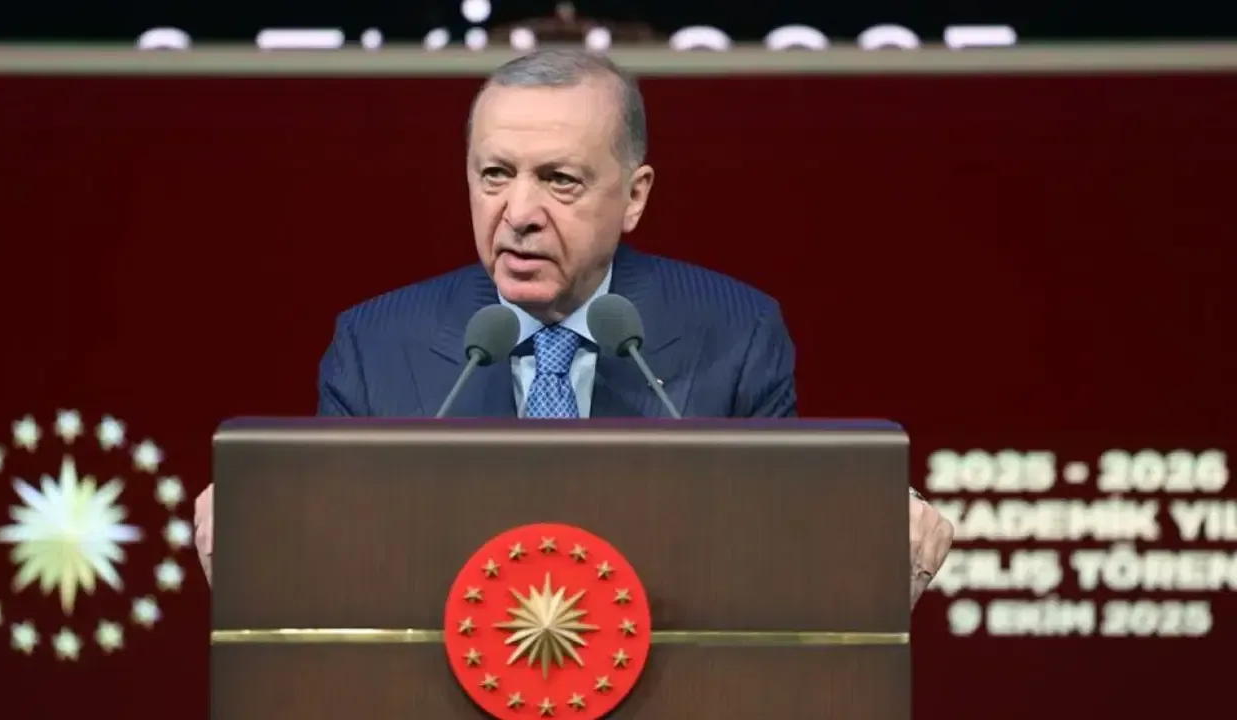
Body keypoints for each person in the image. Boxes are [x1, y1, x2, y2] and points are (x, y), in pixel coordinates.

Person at [194, 49, 953, 607]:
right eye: (495, 174)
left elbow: (779, 552)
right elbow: (337, 574)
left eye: (559, 180)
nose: (518, 213)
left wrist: (871, 544)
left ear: (634, 196)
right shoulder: (374, 345)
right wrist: (265, 535)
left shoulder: (735, 332)